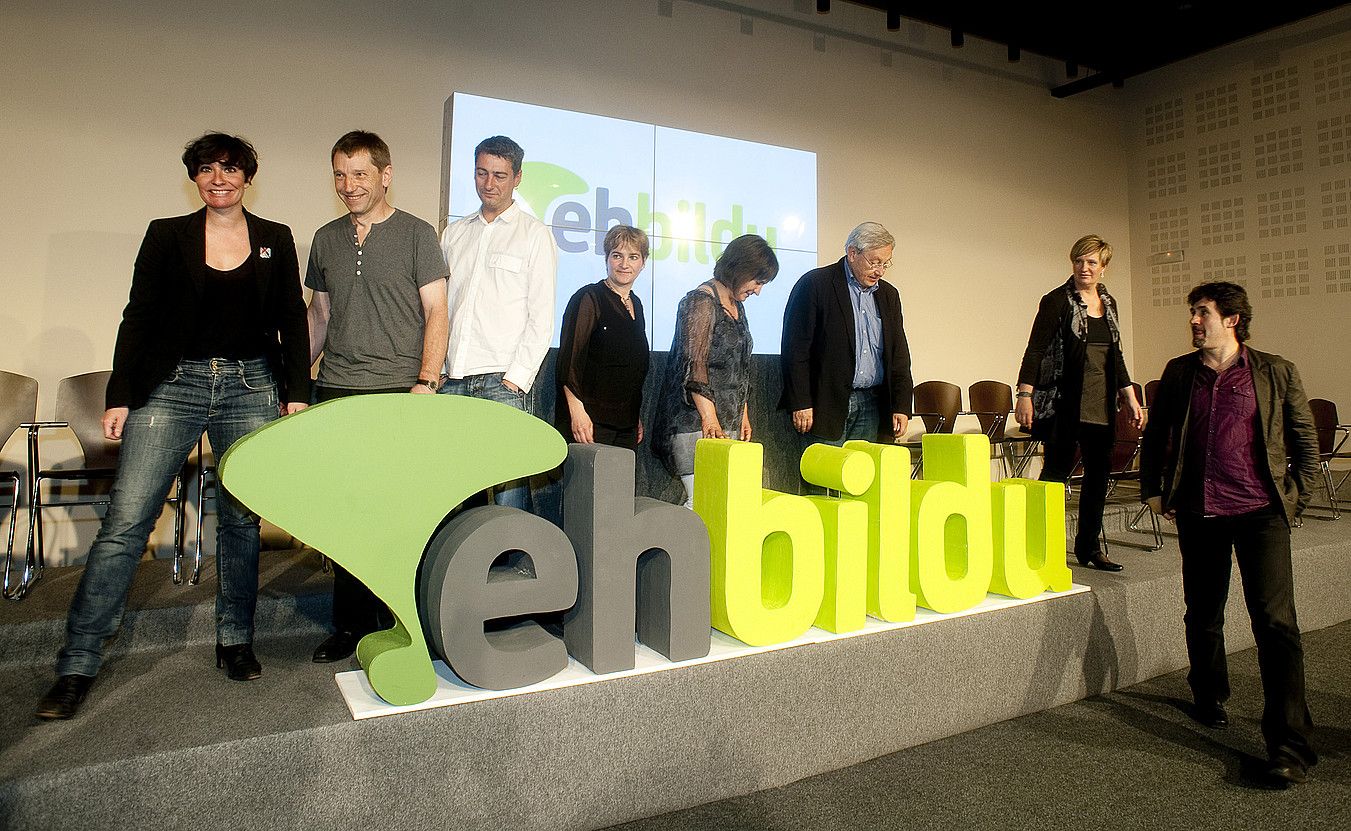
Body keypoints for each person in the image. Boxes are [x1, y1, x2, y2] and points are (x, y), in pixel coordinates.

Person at [36, 133, 311, 720]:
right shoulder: (167, 235)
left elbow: (292, 316)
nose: (219, 178)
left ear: (247, 177)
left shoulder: (275, 239)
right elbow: (138, 314)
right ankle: (77, 664)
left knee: (241, 521)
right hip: (174, 386)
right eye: (207, 169)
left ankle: (235, 640)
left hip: (249, 388)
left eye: (230, 169)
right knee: (127, 520)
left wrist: (294, 395)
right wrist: (121, 394)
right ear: (194, 177)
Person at [1140, 281, 1319, 788]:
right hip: (1200, 511)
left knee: (1276, 624)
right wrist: (1153, 489)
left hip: (1261, 513)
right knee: (1203, 610)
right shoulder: (1180, 373)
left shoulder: (1275, 372)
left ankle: (1290, 746)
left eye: (1202, 313)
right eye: (1192, 313)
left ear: (1232, 319)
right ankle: (1209, 694)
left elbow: (1304, 438)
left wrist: (1296, 497)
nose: (1194, 321)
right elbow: (1157, 435)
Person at [305, 131, 450, 663]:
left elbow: (437, 311)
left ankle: (397, 621)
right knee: (346, 514)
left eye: (360, 174)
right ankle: (348, 626)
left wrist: (427, 382)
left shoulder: (416, 235)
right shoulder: (324, 239)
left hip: (399, 391)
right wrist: (299, 384)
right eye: (340, 175)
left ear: (385, 175)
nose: (349, 185)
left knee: (396, 514)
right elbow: (318, 318)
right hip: (337, 389)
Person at [440, 135, 558, 510]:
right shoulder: (453, 233)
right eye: (481, 173)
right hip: (452, 381)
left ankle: (514, 569)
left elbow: (541, 318)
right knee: (453, 491)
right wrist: (438, 370)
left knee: (509, 496)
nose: (489, 184)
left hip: (502, 382)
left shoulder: (536, 235)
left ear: (518, 178)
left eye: (500, 176)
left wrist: (515, 380)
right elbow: (440, 307)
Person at [1014, 234, 1143, 572]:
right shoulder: (1056, 300)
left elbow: (1115, 355)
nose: (1084, 268)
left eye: (1091, 263)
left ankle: (1089, 548)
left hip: (1101, 404)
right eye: (1079, 262)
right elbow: (1036, 349)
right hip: (1064, 403)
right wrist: (1024, 394)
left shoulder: (1109, 303)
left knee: (1098, 479)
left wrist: (1130, 396)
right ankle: (1039, 544)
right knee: (1055, 475)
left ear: (1104, 267)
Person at [652, 234, 779, 509]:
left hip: (725, 424)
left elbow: (740, 367)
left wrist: (742, 415)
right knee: (702, 503)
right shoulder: (699, 301)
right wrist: (710, 420)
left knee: (723, 505)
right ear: (740, 269)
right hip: (694, 425)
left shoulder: (737, 306)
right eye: (757, 281)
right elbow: (694, 366)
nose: (758, 290)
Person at [779, 222, 913, 464]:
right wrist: (801, 401)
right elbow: (795, 349)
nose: (880, 270)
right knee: (824, 479)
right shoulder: (815, 284)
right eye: (874, 262)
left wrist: (902, 405)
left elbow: (899, 355)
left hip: (873, 404)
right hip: (826, 404)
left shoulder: (889, 295)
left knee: (863, 480)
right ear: (852, 253)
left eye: (885, 263)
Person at [555, 225, 650, 449]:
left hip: (626, 426)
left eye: (633, 257)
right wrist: (577, 413)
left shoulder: (637, 304)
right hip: (590, 424)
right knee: (593, 485)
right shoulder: (588, 298)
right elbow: (569, 362)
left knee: (622, 485)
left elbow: (632, 367)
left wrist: (633, 414)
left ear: (643, 263)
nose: (624, 264)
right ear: (607, 258)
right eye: (617, 255)